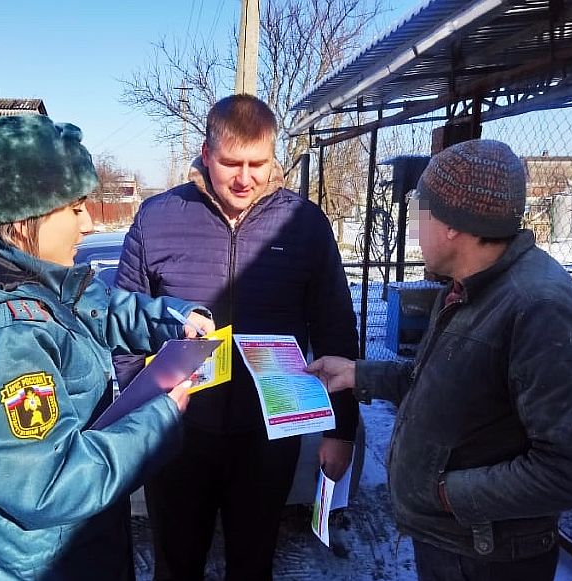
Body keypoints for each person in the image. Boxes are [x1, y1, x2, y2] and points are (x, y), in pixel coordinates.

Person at [0, 114, 214, 581]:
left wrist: (173, 318)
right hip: (38, 567)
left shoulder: (21, 277)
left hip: (68, 551)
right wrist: (161, 417)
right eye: (75, 208)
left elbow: (95, 309)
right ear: (24, 216)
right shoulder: (1, 344)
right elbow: (50, 484)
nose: (89, 224)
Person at [307, 139, 572, 581]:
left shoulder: (540, 309)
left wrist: (447, 493)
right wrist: (358, 373)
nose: (413, 229)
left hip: (488, 559)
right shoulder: (468, 287)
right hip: (455, 542)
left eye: (420, 213)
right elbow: (444, 383)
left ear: (453, 225)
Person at [114, 94, 359, 580]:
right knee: (176, 564)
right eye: (231, 163)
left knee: (253, 564)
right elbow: (126, 322)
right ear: (206, 154)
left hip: (268, 434)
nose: (245, 178)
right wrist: (142, 409)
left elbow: (335, 327)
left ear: (274, 158)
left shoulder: (304, 224)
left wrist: (341, 430)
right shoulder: (158, 219)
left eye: (258, 164)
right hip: (178, 432)